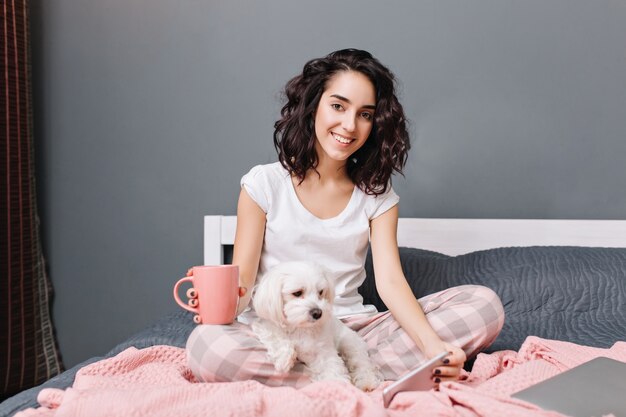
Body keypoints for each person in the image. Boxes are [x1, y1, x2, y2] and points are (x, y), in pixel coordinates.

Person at [186, 48, 504, 388]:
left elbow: (391, 283)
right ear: (313, 107)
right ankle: (349, 380)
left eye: (365, 114)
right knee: (207, 347)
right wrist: (217, 304)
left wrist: (432, 348)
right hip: (281, 332)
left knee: (486, 306)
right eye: (338, 106)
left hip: (356, 330)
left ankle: (330, 374)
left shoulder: (377, 195)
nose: (349, 125)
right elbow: (244, 282)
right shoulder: (263, 184)